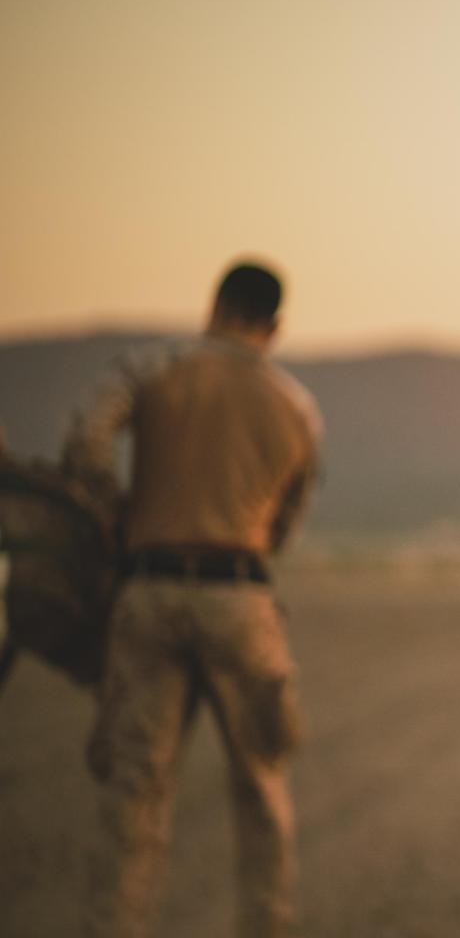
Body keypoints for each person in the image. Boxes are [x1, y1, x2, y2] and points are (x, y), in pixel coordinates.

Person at [64, 261, 321, 938]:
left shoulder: (152, 370)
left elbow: (86, 436)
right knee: (263, 792)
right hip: (240, 597)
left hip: (146, 589)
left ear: (214, 305)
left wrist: (117, 514)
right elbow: (286, 522)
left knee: (134, 798)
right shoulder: (295, 405)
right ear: (274, 326)